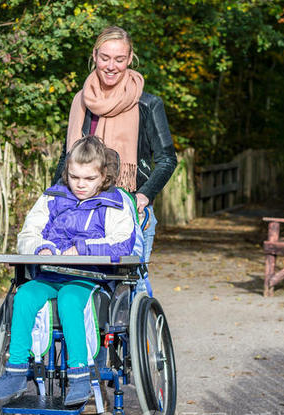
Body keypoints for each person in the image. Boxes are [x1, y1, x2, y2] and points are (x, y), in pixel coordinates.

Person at [0, 136, 143, 406]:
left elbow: (123, 241)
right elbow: (29, 232)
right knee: (24, 296)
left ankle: (80, 376)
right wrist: (41, 248)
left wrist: (82, 248)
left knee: (70, 300)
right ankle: (15, 371)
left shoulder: (114, 203)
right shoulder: (52, 197)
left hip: (89, 277)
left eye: (89, 178)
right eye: (74, 177)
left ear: (103, 175)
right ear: (66, 172)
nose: (80, 184)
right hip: (49, 273)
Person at [53, 25, 177, 275]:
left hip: (128, 209)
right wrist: (53, 198)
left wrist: (144, 194)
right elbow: (68, 158)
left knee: (133, 285)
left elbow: (167, 159)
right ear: (95, 56)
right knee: (79, 282)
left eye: (120, 59)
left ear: (130, 59)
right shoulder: (81, 102)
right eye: (105, 58)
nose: (111, 66)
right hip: (82, 213)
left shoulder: (148, 104)